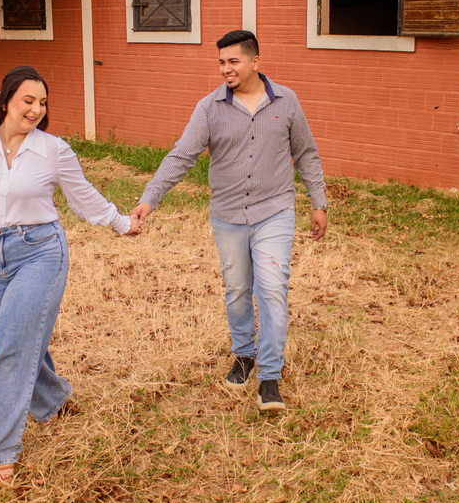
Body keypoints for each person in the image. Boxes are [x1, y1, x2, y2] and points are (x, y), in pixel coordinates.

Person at [0, 65, 141, 487]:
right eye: (27, 100)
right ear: (5, 100)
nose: (36, 109)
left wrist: (121, 223)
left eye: (42, 102)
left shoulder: (53, 150)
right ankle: (51, 399)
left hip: (40, 252)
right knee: (18, 339)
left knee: (11, 348)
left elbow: (83, 197)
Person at [130, 30, 327, 412]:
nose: (225, 69)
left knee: (272, 289)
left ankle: (269, 376)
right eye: (221, 62)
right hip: (229, 215)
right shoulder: (210, 108)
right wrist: (148, 199)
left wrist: (318, 202)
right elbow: (182, 156)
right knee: (237, 290)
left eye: (233, 61)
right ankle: (244, 354)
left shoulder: (287, 101)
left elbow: (305, 153)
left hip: (274, 211)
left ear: (255, 62)